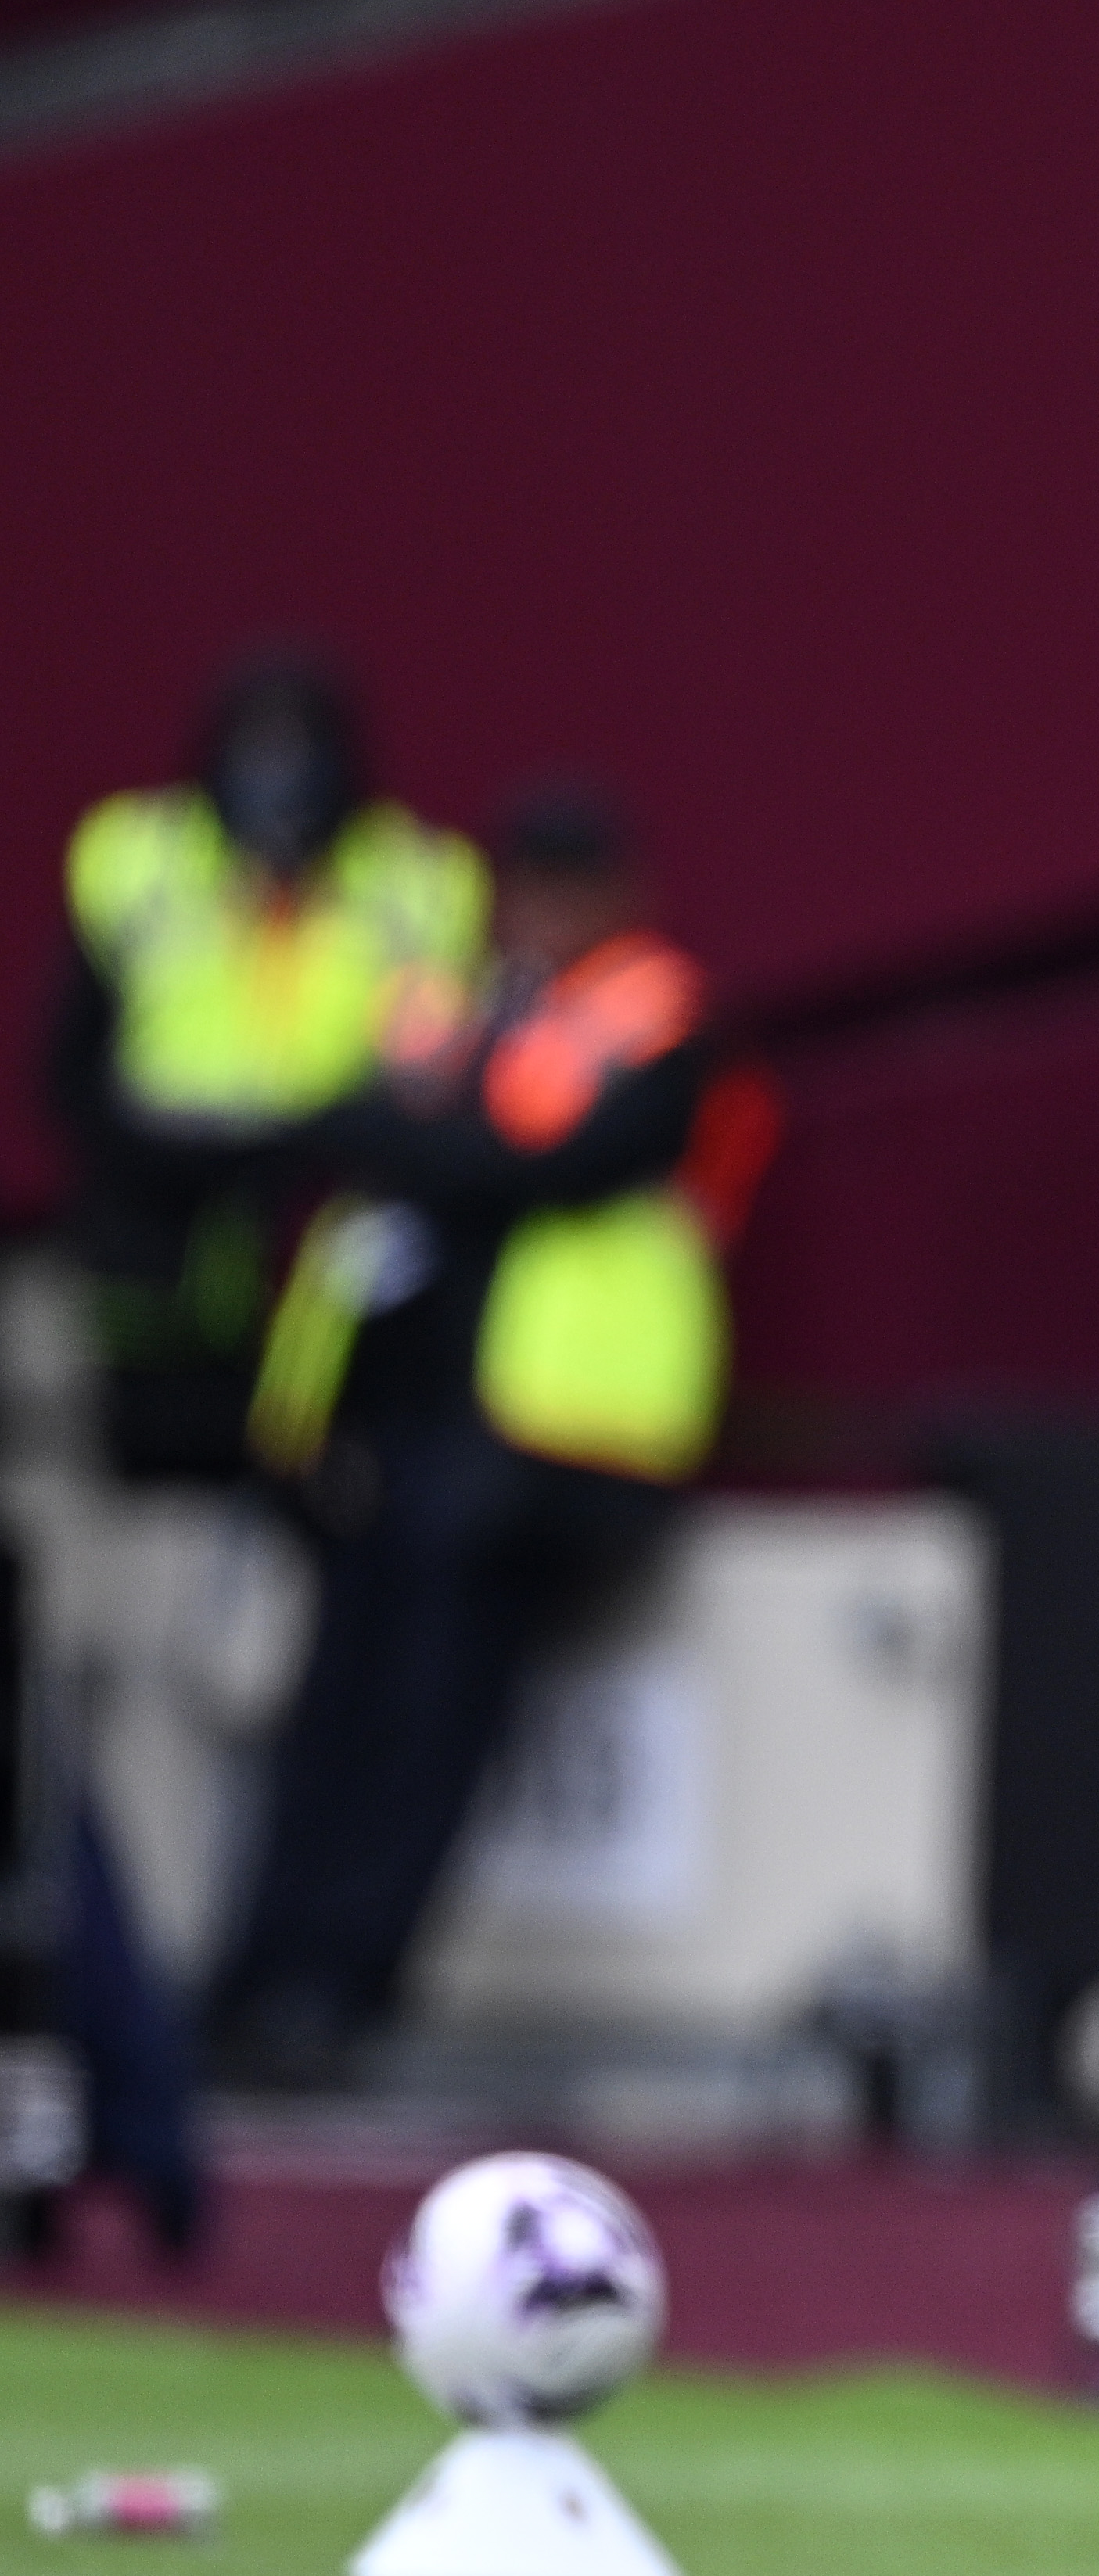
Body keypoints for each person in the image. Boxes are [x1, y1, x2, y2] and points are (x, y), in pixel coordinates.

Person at [210, 787, 758, 2084]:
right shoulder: (458, 1003)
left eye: (571, 888)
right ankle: (250, 1978)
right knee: (331, 1712)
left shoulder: (657, 1014)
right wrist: (437, 1133)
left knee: (433, 1723)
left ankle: (341, 1994)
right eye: (527, 888)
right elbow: (344, 1123)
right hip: (392, 1439)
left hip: (539, 1452)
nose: (543, 916)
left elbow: (556, 1161)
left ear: (622, 896)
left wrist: (434, 1134)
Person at [52, 655, 485, 1482]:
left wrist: (344, 1144)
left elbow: (438, 1072)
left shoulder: (416, 882)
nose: (279, 778)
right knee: (163, 1468)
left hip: (327, 1223)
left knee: (326, 1474)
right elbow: (69, 1064)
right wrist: (144, 1165)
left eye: (300, 747)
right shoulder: (139, 862)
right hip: (162, 1225)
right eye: (259, 746)